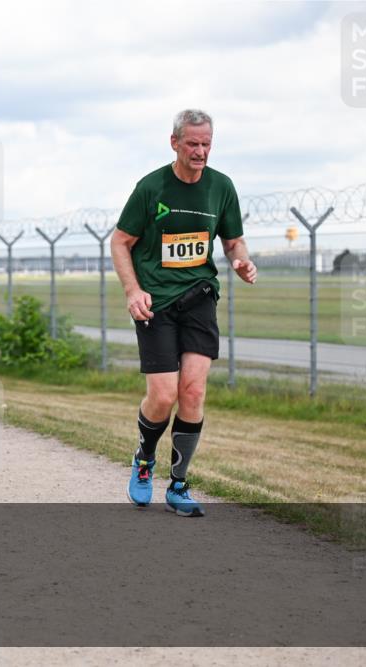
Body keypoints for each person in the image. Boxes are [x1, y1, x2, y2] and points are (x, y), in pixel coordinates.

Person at [112, 109, 257, 518]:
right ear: (174, 142)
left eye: (206, 143)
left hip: (199, 297)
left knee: (192, 391)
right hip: (154, 301)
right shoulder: (152, 187)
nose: (200, 151)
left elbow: (233, 242)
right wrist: (132, 289)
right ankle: (144, 459)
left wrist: (242, 261)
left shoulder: (221, 187)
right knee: (163, 394)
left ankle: (178, 484)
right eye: (192, 143)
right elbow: (120, 242)